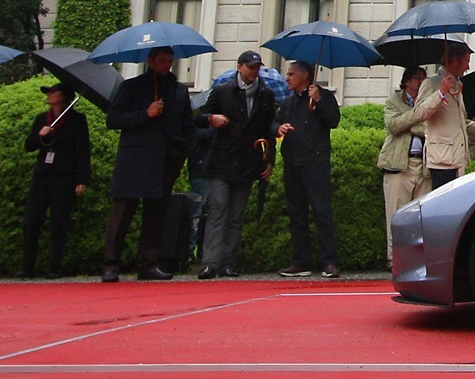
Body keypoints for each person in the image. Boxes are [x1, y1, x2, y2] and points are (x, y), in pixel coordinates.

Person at [102, 46, 195, 282]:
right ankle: (111, 263)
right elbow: (113, 119)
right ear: (151, 61)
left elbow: (187, 125)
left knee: (156, 215)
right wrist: (145, 114)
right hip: (135, 158)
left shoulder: (178, 90)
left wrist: (180, 152)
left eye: (170, 61)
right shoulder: (131, 87)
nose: (167, 65)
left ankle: (148, 262)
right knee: (122, 212)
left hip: (164, 159)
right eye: (163, 61)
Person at [195, 50, 276, 279]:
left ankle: (227, 262)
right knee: (218, 208)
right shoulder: (222, 91)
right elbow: (200, 116)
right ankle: (210, 262)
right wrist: (212, 119)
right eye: (251, 67)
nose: (254, 71)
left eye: (257, 67)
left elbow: (268, 128)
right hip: (222, 158)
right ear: (239, 67)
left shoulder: (265, 95)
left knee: (236, 214)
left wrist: (269, 159)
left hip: (247, 160)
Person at [273, 60, 341, 278]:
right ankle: (300, 261)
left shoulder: (324, 96)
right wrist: (278, 128)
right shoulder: (288, 102)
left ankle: (328, 261)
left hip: (316, 161)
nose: (287, 78)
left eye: (292, 74)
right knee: (296, 213)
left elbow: (333, 121)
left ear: (305, 76)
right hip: (292, 161)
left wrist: (319, 101)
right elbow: (272, 123)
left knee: (321, 212)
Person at [21, 84, 91, 278]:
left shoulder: (77, 120)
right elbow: (29, 145)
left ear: (64, 96)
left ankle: (54, 266)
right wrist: (40, 135)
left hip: (64, 175)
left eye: (53, 92)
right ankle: (27, 266)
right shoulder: (42, 119)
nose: (49, 95)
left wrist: (82, 178)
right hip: (43, 173)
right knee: (32, 219)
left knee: (59, 220)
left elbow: (83, 150)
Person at [416, 42, 475, 182]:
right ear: (455, 61)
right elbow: (420, 113)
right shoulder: (431, 83)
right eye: (466, 62)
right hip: (441, 158)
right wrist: (441, 92)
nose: (468, 67)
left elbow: (463, 123)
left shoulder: (457, 85)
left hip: (457, 158)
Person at [378, 66, 429, 264]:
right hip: (399, 165)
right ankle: (395, 258)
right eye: (418, 79)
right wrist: (417, 113)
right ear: (407, 81)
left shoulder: (428, 103)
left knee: (421, 217)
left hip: (423, 165)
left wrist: (410, 121)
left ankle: (416, 260)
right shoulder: (394, 100)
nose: (421, 83)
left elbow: (429, 130)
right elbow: (394, 126)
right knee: (396, 214)